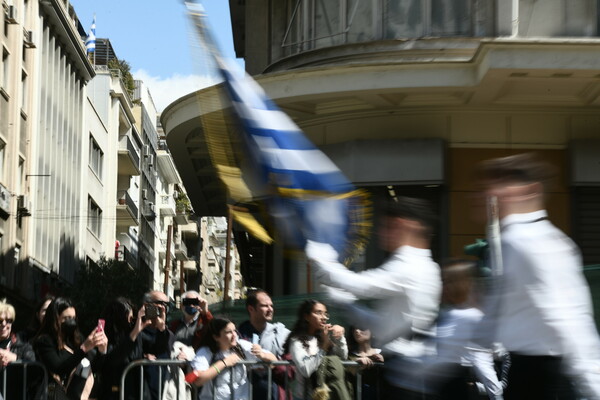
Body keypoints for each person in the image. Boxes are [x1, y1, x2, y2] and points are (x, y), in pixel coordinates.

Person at [478, 153, 600, 399]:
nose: (491, 196)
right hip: (523, 369)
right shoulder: (514, 239)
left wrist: (594, 387)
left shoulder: (529, 242)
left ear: (531, 189)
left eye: (502, 186)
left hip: (543, 374)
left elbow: (568, 318)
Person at [306, 196, 442, 394]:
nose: (380, 233)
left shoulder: (410, 265)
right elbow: (385, 326)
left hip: (405, 372)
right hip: (409, 372)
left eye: (386, 226)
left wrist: (322, 261)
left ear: (401, 224)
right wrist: (345, 303)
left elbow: (362, 286)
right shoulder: (427, 266)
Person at [421, 260, 502, 400]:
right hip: (441, 386)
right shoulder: (448, 313)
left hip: (451, 386)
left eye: (447, 281)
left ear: (459, 285)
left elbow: (486, 359)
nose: (443, 286)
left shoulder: (467, 317)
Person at [96, 297, 173, 400]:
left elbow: (158, 349)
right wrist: (135, 331)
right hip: (115, 392)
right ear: (120, 317)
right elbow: (114, 357)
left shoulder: (137, 335)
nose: (131, 322)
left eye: (133, 318)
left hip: (138, 392)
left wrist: (162, 329)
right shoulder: (106, 335)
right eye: (130, 318)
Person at [33, 297, 107, 400]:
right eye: (66, 318)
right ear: (55, 318)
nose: (71, 322)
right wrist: (84, 348)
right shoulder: (45, 341)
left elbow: (94, 366)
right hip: (54, 394)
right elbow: (58, 368)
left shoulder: (76, 338)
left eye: (73, 318)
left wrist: (102, 350)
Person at [187, 316, 277, 400]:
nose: (234, 335)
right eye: (229, 332)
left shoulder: (241, 346)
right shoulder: (206, 351)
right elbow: (198, 381)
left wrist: (262, 355)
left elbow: (274, 362)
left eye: (234, 330)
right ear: (216, 337)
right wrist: (224, 363)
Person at [282, 299, 350, 400]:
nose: (323, 317)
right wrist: (323, 347)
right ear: (306, 316)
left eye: (325, 314)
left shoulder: (325, 335)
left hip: (329, 395)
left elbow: (342, 357)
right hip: (306, 396)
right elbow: (306, 370)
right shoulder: (296, 341)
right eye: (318, 313)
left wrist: (340, 338)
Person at [238, 289, 291, 399]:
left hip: (275, 394)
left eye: (271, 305)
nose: (270, 309)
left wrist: (272, 363)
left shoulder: (282, 334)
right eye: (265, 306)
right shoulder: (238, 335)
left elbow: (290, 371)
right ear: (251, 309)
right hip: (245, 394)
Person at [139, 290, 175, 400]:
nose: (163, 307)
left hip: (162, 387)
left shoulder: (168, 333)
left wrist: (161, 328)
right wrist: (143, 357)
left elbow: (163, 350)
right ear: (146, 304)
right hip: (142, 387)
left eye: (166, 304)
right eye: (159, 303)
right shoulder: (138, 329)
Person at [0, 299, 37, 400]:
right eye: (0, 320)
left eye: (8, 321)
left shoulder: (22, 346)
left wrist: (16, 358)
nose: (4, 324)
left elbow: (35, 369)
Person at [346, 325, 384, 400]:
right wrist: (355, 365)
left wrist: (384, 362)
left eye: (362, 327)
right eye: (354, 329)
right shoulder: (348, 355)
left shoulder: (384, 353)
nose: (357, 331)